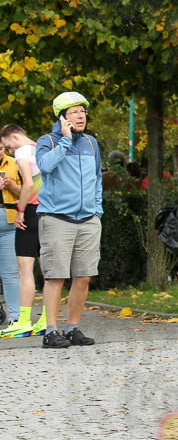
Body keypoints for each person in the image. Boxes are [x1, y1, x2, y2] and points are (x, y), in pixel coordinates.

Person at [34, 91, 102, 348]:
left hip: (88, 219)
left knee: (83, 276)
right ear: (62, 117)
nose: (80, 116)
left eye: (83, 111)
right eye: (74, 112)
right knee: (56, 277)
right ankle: (51, 332)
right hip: (56, 218)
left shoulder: (91, 143)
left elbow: (97, 179)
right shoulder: (48, 141)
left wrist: (97, 210)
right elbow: (45, 166)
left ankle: (72, 328)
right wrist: (65, 141)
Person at [0, 124, 46, 337]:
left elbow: (28, 184)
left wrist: (20, 210)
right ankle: (46, 320)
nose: (10, 150)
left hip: (30, 213)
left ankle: (24, 321)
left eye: (8, 146)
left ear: (15, 137)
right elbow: (40, 182)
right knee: (47, 270)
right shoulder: (41, 148)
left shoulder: (21, 152)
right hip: (47, 211)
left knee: (24, 269)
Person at [0, 140, 22, 330]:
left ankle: (16, 317)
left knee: (10, 273)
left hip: (9, 221)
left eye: (0, 148)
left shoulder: (15, 163)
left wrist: (10, 185)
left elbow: (28, 192)